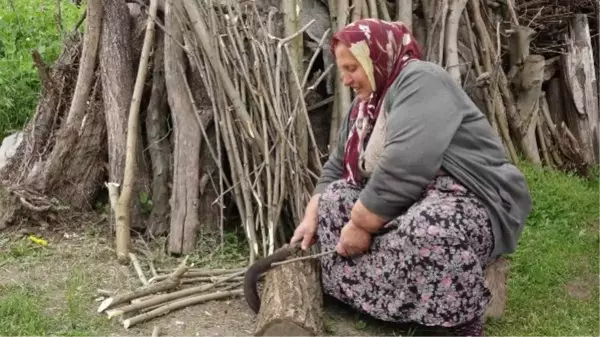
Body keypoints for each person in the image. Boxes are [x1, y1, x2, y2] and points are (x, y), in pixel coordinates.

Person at [289, 19, 532, 337]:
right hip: (407, 202)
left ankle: (456, 321)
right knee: (335, 199)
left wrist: (361, 225)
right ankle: (388, 303)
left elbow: (406, 166)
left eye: (353, 68)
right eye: (343, 70)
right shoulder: (365, 110)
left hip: (471, 197)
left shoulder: (421, 80)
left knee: (428, 229)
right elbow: (334, 171)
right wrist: (313, 214)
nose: (346, 79)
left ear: (376, 58)